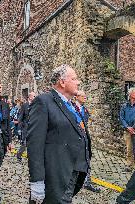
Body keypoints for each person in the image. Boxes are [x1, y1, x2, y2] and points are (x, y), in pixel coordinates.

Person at [27, 64, 91, 203]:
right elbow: (34, 144)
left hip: (71, 172)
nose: (78, 82)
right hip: (55, 175)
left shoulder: (71, 104)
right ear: (62, 82)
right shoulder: (43, 102)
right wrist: (37, 180)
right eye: (74, 79)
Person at [73, 91, 100, 193]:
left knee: (87, 159)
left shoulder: (84, 109)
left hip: (83, 139)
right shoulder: (71, 108)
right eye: (83, 96)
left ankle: (87, 182)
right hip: (74, 139)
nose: (85, 97)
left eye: (85, 95)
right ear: (76, 97)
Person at [16, 92, 36, 162]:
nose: (35, 97)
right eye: (34, 96)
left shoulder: (36, 105)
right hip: (26, 127)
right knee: (24, 144)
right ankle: (19, 155)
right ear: (30, 97)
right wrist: (19, 128)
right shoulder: (24, 105)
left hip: (33, 127)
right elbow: (20, 117)